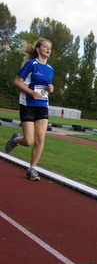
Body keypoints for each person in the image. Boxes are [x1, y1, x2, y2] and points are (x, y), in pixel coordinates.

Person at [5, 38, 54, 181]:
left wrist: (51, 88)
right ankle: (15, 140)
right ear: (38, 49)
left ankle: (32, 168)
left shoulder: (50, 68)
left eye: (49, 47)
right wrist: (30, 92)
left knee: (40, 138)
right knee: (28, 141)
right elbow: (16, 82)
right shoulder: (30, 64)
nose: (48, 49)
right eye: (45, 46)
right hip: (28, 104)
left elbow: (48, 85)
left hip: (42, 105)